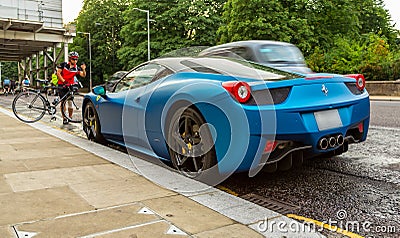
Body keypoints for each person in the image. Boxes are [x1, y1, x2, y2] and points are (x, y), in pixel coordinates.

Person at [56, 51, 86, 124]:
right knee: (63, 102)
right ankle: (64, 118)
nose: (75, 61)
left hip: (70, 86)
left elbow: (83, 75)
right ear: (70, 59)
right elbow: (58, 73)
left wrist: (84, 69)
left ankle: (70, 117)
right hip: (62, 85)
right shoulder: (64, 65)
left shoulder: (76, 68)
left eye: (76, 59)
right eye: (73, 59)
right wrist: (64, 81)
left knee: (70, 102)